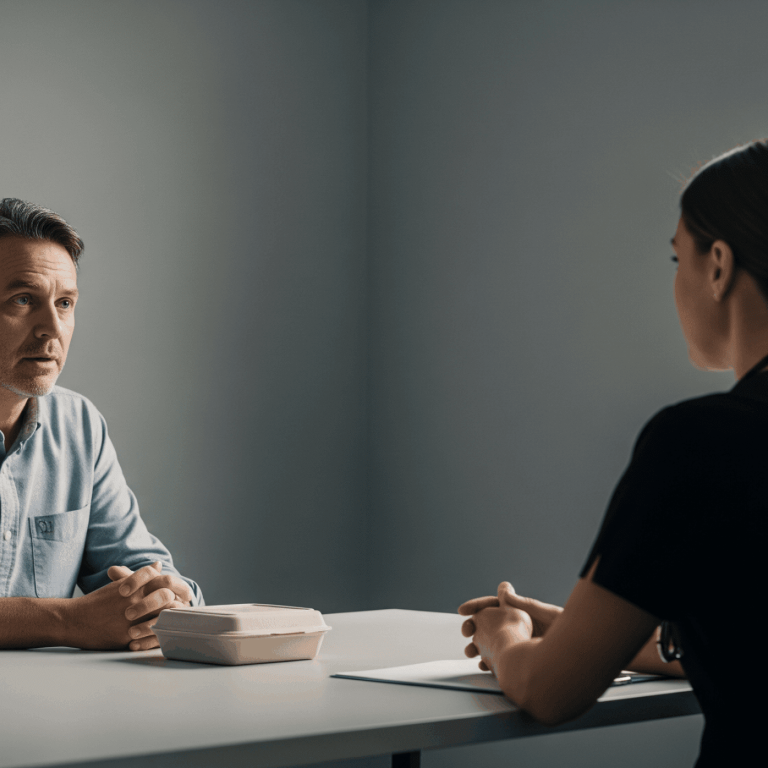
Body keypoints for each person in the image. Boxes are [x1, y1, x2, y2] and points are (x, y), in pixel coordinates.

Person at [458, 140, 768, 767]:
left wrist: (504, 638)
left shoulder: (701, 443)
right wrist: (579, 630)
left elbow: (549, 691)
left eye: (677, 258)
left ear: (718, 266)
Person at [0, 198, 203, 652]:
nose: (51, 328)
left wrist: (164, 598)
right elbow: (75, 622)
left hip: (52, 696)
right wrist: (66, 622)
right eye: (23, 300)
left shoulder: (78, 425)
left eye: (65, 303)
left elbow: (135, 564)